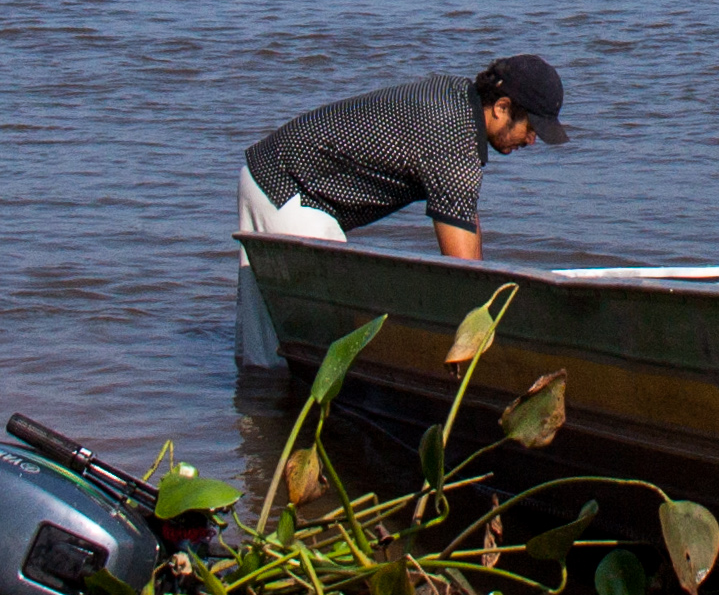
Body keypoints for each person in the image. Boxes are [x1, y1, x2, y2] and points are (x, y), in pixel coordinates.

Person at [235, 54, 570, 370]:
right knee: (322, 348)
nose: (531, 141)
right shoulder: (454, 144)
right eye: (531, 128)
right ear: (501, 107)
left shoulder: (455, 98)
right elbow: (464, 269)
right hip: (294, 192)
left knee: (264, 347)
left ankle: (257, 414)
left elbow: (463, 213)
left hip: (267, 170)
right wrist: (484, 339)